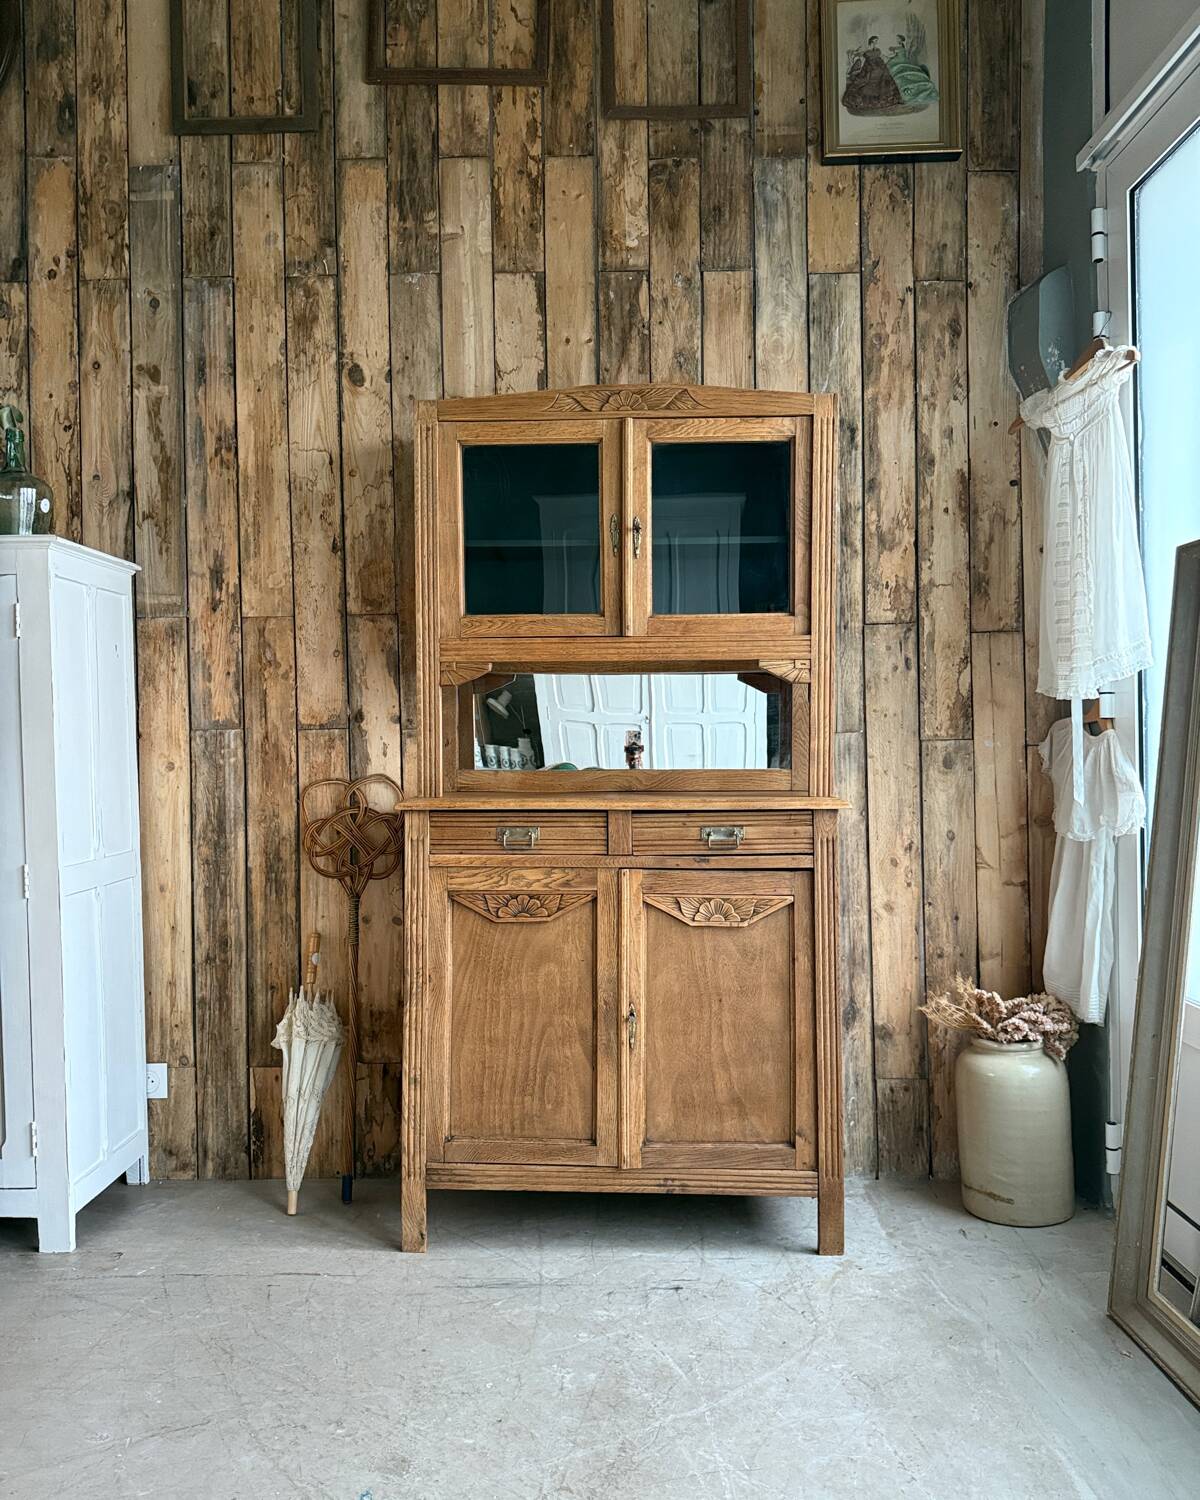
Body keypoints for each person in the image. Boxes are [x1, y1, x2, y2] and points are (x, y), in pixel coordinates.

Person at [842, 35, 904, 114]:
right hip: (869, 68)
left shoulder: (877, 49)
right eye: (875, 41)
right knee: (870, 78)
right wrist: (853, 56)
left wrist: (890, 58)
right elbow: (858, 55)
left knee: (885, 77)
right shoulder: (867, 50)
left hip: (880, 67)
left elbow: (882, 56)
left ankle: (891, 98)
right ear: (871, 41)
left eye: (876, 41)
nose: (876, 42)